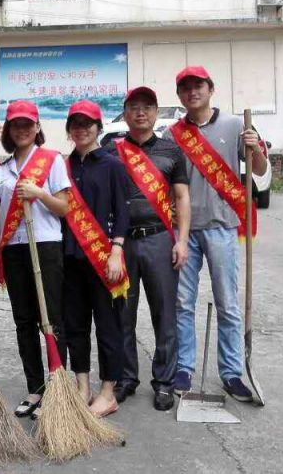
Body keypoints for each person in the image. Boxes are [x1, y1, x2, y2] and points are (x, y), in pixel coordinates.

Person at [169, 65, 270, 403]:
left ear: (210, 89)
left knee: (228, 303)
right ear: (180, 95)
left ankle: (231, 373)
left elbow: (259, 170)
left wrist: (254, 146)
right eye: (185, 87)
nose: (191, 92)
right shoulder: (173, 135)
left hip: (222, 228)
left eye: (198, 85)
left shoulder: (235, 125)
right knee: (183, 303)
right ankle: (183, 367)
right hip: (185, 231)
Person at [106, 87, 191, 412]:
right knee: (122, 315)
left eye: (147, 107)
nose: (141, 113)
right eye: (134, 107)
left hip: (159, 240)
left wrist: (181, 240)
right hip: (122, 243)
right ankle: (127, 379)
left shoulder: (171, 151)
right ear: (125, 113)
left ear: (156, 113)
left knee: (164, 314)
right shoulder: (111, 152)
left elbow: (181, 197)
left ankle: (165, 383)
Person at [0, 100, 70, 420]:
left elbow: (63, 207)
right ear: (8, 130)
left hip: (46, 246)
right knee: (23, 321)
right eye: (15, 125)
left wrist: (39, 193)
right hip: (14, 248)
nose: (21, 129)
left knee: (50, 318)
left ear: (37, 127)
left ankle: (57, 386)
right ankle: (35, 387)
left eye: (27, 124)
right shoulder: (1, 170)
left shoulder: (52, 161)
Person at [62, 99, 131, 418]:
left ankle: (107, 392)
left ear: (98, 128)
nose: (81, 129)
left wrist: (117, 250)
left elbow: (123, 211)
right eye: (75, 124)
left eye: (87, 123)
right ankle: (82, 387)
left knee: (108, 325)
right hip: (70, 258)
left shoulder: (113, 164)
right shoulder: (62, 166)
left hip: (104, 259)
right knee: (75, 325)